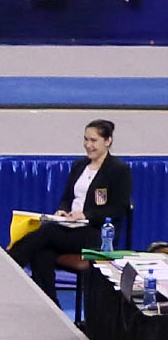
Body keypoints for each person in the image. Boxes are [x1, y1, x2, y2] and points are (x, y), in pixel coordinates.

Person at [10, 120, 133, 298]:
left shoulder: (119, 170)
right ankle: (52, 308)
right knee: (41, 254)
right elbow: (67, 198)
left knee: (47, 232)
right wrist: (62, 211)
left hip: (95, 232)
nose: (88, 145)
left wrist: (86, 215)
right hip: (69, 228)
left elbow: (118, 209)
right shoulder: (79, 166)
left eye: (94, 140)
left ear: (108, 141)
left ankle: (9, 265)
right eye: (86, 140)